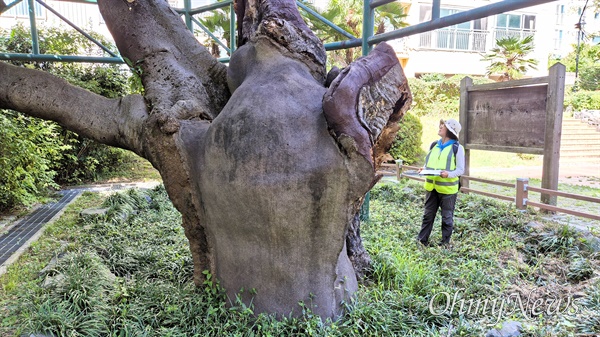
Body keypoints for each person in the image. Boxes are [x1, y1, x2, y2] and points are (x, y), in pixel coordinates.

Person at [417, 119, 465, 248]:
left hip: (448, 190)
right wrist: (423, 169)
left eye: (443, 126)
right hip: (431, 187)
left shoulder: (457, 148)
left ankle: (444, 244)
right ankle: (422, 241)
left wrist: (448, 174)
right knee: (427, 216)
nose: (440, 127)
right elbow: (428, 163)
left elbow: (461, 169)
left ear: (449, 130)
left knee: (446, 218)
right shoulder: (434, 145)